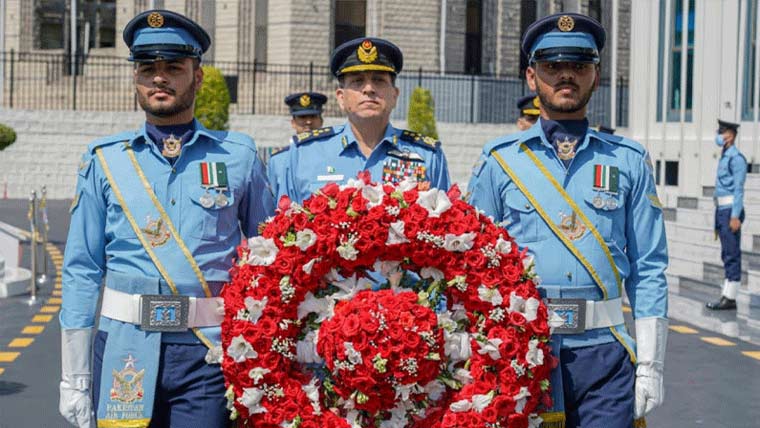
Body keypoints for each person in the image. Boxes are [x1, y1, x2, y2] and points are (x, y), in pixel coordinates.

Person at [58, 10, 274, 428]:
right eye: (147, 68)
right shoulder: (105, 161)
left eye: (174, 67)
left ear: (198, 77)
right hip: (123, 346)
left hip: (208, 352)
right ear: (135, 78)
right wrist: (74, 375)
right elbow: (82, 269)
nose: (159, 78)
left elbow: (268, 260)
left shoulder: (238, 156)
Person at [467, 13, 668, 428]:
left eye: (578, 65)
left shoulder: (627, 160)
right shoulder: (500, 161)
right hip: (524, 351)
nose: (565, 75)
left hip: (605, 357)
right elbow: (472, 266)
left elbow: (649, 266)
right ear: (531, 76)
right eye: (552, 65)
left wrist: (651, 363)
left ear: (596, 76)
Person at [272, 37, 450, 204]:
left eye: (379, 80)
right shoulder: (305, 154)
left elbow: (446, 220)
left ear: (394, 95)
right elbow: (286, 221)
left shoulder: (427, 156)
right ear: (341, 97)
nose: (369, 89)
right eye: (357, 81)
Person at [707, 119, 747, 310]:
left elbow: (738, 189)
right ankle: (726, 294)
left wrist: (735, 216)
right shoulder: (725, 156)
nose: (719, 136)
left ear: (730, 135)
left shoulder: (736, 159)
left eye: (721, 132)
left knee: (732, 253)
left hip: (730, 211)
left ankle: (730, 297)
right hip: (721, 210)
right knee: (726, 253)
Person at [268, 92, 328, 200]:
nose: (308, 122)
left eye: (313, 116)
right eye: (302, 117)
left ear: (321, 121)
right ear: (293, 123)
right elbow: (271, 200)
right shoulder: (278, 160)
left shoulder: (332, 154)